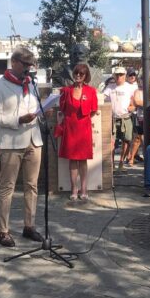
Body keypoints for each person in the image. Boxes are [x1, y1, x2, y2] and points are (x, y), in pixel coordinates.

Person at [0, 47, 44, 247]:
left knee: (32, 185)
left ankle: (29, 226)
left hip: (33, 140)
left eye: (31, 64)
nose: (28, 68)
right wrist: (18, 119)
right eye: (25, 64)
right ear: (14, 62)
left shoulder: (31, 85)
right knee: (7, 187)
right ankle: (3, 231)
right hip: (12, 142)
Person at [56, 63, 99, 200]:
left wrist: (84, 120)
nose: (78, 76)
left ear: (86, 76)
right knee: (73, 161)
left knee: (83, 160)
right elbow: (62, 109)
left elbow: (93, 110)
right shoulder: (66, 90)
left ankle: (84, 188)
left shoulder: (91, 91)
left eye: (81, 74)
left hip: (84, 128)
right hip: (70, 128)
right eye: (76, 73)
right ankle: (74, 188)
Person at [103, 66, 136, 169]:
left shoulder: (130, 87)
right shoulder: (109, 87)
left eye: (121, 75)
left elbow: (134, 102)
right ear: (114, 75)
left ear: (125, 75)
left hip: (126, 118)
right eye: (117, 75)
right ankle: (112, 165)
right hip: (112, 118)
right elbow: (101, 98)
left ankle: (121, 163)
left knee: (127, 141)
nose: (119, 77)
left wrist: (131, 107)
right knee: (111, 142)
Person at [128, 68, 145, 165]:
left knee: (147, 140)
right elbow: (137, 102)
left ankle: (148, 159)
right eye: (141, 80)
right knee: (137, 138)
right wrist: (148, 103)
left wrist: (147, 102)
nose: (142, 82)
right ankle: (131, 157)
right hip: (139, 117)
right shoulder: (137, 91)